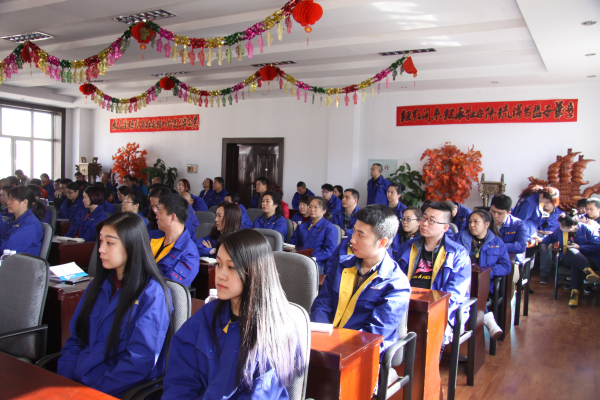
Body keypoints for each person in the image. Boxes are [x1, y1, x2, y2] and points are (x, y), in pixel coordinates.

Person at [162, 230, 304, 399]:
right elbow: (179, 381)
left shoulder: (274, 332)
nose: (220, 275)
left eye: (231, 267)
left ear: (254, 271)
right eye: (218, 264)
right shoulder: (207, 316)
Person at [57, 213, 173, 397]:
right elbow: (76, 339)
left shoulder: (152, 294)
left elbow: (139, 361)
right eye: (101, 241)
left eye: (110, 243)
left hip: (114, 391)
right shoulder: (99, 286)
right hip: (76, 385)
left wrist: (92, 393)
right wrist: (65, 381)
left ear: (132, 246)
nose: (101, 249)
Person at [310, 205, 411, 356]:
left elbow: (374, 334)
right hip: (325, 346)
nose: (352, 240)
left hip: (360, 354)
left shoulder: (396, 284)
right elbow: (322, 304)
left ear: (382, 242)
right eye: (354, 232)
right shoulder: (341, 264)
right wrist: (321, 339)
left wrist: (337, 347)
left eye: (360, 235)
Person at [396, 201, 471, 345]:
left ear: (445, 227)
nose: (424, 223)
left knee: (430, 337)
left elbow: (454, 293)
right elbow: (395, 277)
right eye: (424, 218)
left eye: (431, 221)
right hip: (406, 304)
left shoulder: (458, 254)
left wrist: (431, 308)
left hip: (440, 309)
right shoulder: (408, 246)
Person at [455, 210, 512, 339]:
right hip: (461, 280)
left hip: (484, 285)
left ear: (487, 224)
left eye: (476, 222)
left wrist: (486, 273)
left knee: (474, 290)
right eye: (470, 222)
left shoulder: (496, 242)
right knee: (467, 288)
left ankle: (461, 326)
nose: (472, 225)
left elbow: (506, 266)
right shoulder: (459, 237)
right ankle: (489, 321)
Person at [534, 210, 600, 307]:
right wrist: (541, 240)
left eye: (562, 227)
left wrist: (580, 247)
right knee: (571, 251)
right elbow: (552, 237)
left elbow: (597, 246)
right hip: (566, 258)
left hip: (588, 259)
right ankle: (588, 272)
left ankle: (574, 295)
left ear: (572, 227)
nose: (560, 228)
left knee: (576, 263)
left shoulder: (587, 229)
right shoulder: (560, 230)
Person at [149, 194, 200, 286]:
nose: (156, 217)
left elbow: (169, 288)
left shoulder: (189, 254)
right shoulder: (152, 237)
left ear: (172, 217)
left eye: (160, 212)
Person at [289, 197, 338, 272]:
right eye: (310, 207)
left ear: (324, 210)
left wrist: (312, 257)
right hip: (300, 260)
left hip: (317, 263)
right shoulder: (302, 226)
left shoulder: (330, 228)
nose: (312, 209)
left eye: (316, 207)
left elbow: (329, 251)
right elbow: (292, 244)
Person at [0, 186, 44, 256]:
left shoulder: (30, 224)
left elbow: (7, 248)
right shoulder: (12, 220)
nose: (8, 202)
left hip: (20, 262)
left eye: (12, 200)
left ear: (24, 202)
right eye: (9, 199)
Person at [490, 195, 528, 265]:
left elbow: (521, 246)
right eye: (493, 211)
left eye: (500, 213)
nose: (495, 216)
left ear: (508, 213)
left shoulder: (518, 224)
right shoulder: (484, 222)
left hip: (511, 261)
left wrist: (498, 247)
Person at [534, 192, 562, 285]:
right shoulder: (536, 211)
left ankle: (544, 275)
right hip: (537, 233)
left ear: (554, 203)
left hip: (552, 236)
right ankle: (524, 273)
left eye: (547, 202)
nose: (544, 204)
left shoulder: (560, 214)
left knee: (545, 244)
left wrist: (549, 233)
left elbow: (560, 229)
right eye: (543, 202)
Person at [387, 182, 407, 258]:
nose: (389, 194)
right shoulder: (383, 208)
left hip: (397, 243)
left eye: (392, 192)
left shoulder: (404, 209)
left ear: (399, 195)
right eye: (388, 191)